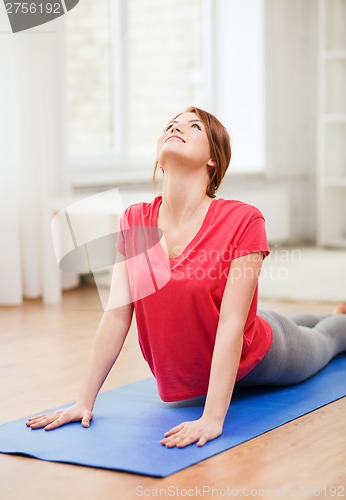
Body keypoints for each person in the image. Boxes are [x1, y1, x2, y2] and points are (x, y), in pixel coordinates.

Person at [26, 107, 346, 448]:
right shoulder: (135, 221)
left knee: (325, 341)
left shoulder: (243, 219)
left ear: (213, 160)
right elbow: (117, 315)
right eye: (171, 125)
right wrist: (84, 400)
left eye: (194, 127)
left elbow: (232, 324)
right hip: (222, 338)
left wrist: (212, 418)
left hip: (259, 354)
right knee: (298, 322)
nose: (177, 128)